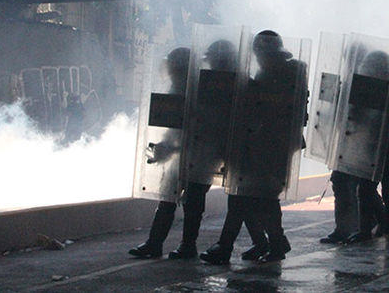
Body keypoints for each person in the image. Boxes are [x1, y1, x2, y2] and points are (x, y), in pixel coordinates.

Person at [201, 30, 307, 263]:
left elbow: (266, 115)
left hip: (269, 148)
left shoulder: (275, 77)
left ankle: (236, 247)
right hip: (265, 147)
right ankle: (270, 243)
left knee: (254, 198)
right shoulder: (280, 74)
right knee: (251, 198)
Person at [130, 47, 210, 260]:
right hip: (183, 157)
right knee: (167, 200)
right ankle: (156, 244)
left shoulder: (201, 91)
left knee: (191, 204)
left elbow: (200, 129)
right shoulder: (180, 87)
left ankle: (184, 245)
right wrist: (166, 147)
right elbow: (174, 128)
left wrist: (170, 148)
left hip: (200, 157)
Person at [345, 50, 389, 243]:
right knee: (385, 191)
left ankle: (376, 228)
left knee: (369, 190)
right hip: (385, 146)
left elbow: (356, 117)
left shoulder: (379, 88)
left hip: (377, 146)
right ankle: (387, 227)